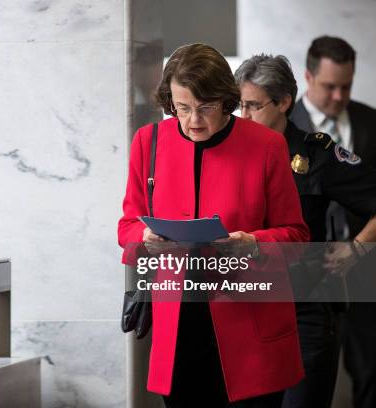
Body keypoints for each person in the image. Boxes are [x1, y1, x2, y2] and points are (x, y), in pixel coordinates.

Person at [118, 43, 310, 408]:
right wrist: (145, 238)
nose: (193, 121)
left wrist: (253, 243)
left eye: (204, 108)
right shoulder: (149, 141)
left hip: (251, 327)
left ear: (225, 100)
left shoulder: (267, 146)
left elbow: (297, 236)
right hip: (178, 328)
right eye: (182, 108)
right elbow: (127, 224)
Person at [235, 53, 376, 408]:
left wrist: (356, 248)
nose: (244, 116)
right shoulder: (232, 153)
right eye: (239, 106)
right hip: (249, 310)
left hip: (306, 312)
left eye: (253, 106)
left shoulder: (317, 155)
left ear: (283, 102)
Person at [290, 36, 376, 408]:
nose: (339, 96)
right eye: (329, 86)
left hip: (366, 270)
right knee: (304, 379)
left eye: (346, 85)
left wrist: (359, 248)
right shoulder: (281, 123)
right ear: (308, 77)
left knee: (372, 370)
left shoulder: (371, 121)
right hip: (305, 277)